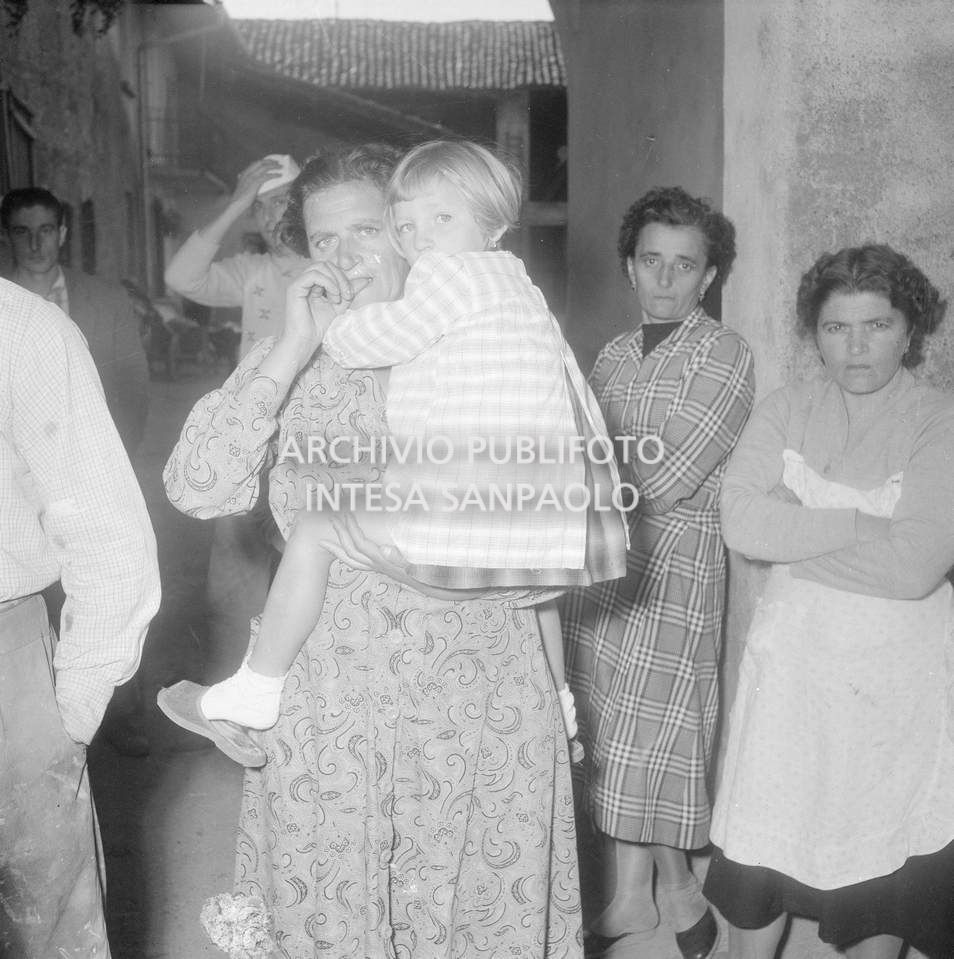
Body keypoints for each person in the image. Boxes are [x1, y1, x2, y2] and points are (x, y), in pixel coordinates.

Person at [162, 143, 586, 957]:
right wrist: (286, 350)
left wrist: (558, 703)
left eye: (368, 229)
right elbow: (198, 486)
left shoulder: (505, 341)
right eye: (324, 241)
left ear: (416, 232)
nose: (346, 256)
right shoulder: (304, 362)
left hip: (483, 708)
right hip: (336, 712)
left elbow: (546, 554)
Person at [705, 244, 954, 959]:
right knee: (762, 859)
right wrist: (859, 521)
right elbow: (742, 524)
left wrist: (800, 525)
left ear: (911, 330)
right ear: (814, 333)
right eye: (836, 328)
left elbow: (915, 566)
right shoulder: (786, 407)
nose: (856, 347)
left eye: (877, 325)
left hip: (893, 680)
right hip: (793, 668)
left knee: (877, 868)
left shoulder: (938, 420)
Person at [560, 187, 754, 958]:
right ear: (630, 268)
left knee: (660, 730)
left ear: (707, 277)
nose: (666, 280)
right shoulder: (608, 353)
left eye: (685, 266)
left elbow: (669, 473)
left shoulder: (725, 353)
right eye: (651, 262)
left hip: (672, 564)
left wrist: (576, 480)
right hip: (604, 565)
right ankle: (638, 893)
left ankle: (669, 889)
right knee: (609, 729)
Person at [0, 278, 160, 957]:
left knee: (43, 920)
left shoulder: (22, 329)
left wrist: (75, 701)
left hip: (7, 664)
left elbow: (104, 524)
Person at [1, 185, 152, 756]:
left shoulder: (98, 300)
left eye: (46, 230)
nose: (36, 242)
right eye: (22, 231)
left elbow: (133, 385)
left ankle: (121, 723)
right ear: (8, 236)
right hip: (19, 502)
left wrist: (119, 459)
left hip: (89, 473)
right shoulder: (13, 300)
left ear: (63, 233)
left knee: (105, 591)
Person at [164, 155, 311, 686]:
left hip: (316, 450)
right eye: (262, 207)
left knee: (311, 580)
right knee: (233, 587)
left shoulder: (336, 268)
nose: (271, 218)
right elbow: (181, 276)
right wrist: (235, 203)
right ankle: (228, 698)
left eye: (282, 203)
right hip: (253, 447)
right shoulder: (253, 273)